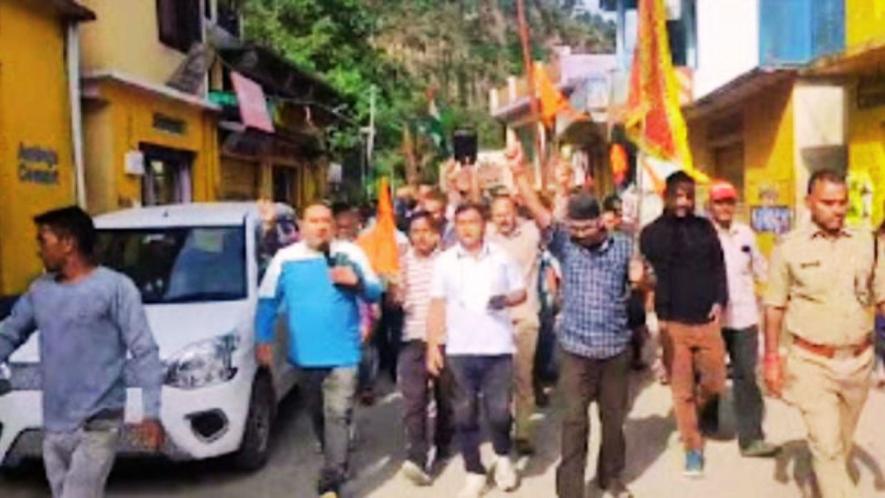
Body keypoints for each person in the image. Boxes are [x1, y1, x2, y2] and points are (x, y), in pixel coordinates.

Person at [0, 206, 164, 498]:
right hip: (55, 425)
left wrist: (151, 413)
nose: (38, 250)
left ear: (68, 243)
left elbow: (145, 350)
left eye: (43, 241)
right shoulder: (40, 292)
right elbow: (9, 333)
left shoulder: (116, 289)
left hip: (98, 423)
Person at [509, 145, 639, 498]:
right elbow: (539, 212)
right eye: (573, 228)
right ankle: (569, 491)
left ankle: (611, 478)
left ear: (601, 223)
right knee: (574, 423)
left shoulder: (624, 246)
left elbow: (643, 278)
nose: (579, 234)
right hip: (576, 352)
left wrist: (642, 276)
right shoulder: (565, 245)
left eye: (585, 228)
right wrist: (519, 172)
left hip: (615, 351)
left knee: (613, 422)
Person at [764, 170, 885, 498]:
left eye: (842, 202)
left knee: (841, 443)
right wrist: (772, 358)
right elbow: (774, 306)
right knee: (827, 445)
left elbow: (881, 295)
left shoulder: (867, 242)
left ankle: (821, 484)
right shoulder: (789, 248)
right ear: (809, 202)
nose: (838, 209)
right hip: (812, 363)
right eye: (828, 203)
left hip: (859, 362)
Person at [256, 203, 382, 498]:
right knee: (318, 415)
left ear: (333, 226)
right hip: (305, 355)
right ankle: (333, 457)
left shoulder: (349, 253)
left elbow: (375, 291)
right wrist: (263, 340)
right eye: (314, 221)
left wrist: (357, 282)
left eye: (326, 221)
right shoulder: (285, 258)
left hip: (344, 352)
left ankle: (332, 481)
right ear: (302, 226)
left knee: (338, 413)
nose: (321, 226)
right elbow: (267, 301)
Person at [426, 202, 526, 498]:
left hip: (497, 347)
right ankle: (474, 472)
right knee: (464, 414)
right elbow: (437, 304)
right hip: (459, 349)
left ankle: (503, 458)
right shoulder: (445, 261)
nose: (467, 228)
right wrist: (433, 345)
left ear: (484, 225)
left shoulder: (501, 257)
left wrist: (505, 300)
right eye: (461, 223)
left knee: (499, 412)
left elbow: (520, 291)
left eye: (472, 222)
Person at [639, 170, 728, 478]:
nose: (683, 202)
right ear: (665, 196)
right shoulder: (652, 234)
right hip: (672, 323)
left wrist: (720, 299)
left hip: (707, 319)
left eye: (688, 196)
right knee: (682, 391)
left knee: (715, 382)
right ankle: (692, 447)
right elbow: (645, 272)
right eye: (677, 196)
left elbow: (718, 266)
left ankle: (695, 416)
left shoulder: (704, 228)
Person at [707, 180, 780, 458]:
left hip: (745, 316)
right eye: (719, 202)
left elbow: (760, 267)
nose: (725, 207)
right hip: (713, 318)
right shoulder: (703, 235)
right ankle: (708, 423)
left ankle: (751, 438)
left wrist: (774, 291)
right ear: (710, 206)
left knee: (746, 376)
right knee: (710, 375)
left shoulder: (746, 234)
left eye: (729, 202)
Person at [392, 211, 455, 486]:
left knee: (445, 397)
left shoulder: (449, 262)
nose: (421, 237)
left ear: (437, 234)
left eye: (426, 231)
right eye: (415, 231)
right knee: (413, 399)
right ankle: (416, 456)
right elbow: (394, 303)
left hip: (445, 338)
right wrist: (396, 292)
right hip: (413, 337)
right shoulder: (401, 263)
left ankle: (443, 442)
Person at [487, 194, 543, 455]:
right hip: (493, 320)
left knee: (523, 377)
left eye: (507, 213)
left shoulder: (530, 234)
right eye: (498, 214)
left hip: (524, 316)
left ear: (516, 212)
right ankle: (501, 425)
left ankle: (523, 432)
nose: (504, 219)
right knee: (499, 380)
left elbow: (546, 216)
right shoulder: (486, 238)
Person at [334, 204, 379, 406]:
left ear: (356, 227)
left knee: (365, 345)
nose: (343, 230)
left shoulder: (364, 248)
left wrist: (375, 304)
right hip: (339, 309)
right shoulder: (328, 250)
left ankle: (367, 385)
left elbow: (374, 279)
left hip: (363, 305)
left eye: (347, 226)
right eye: (340, 226)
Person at [604, 194, 648, 371]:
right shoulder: (597, 237)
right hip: (608, 286)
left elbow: (637, 259)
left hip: (629, 283)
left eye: (618, 214)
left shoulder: (629, 235)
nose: (613, 221)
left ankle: (636, 354)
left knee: (636, 315)